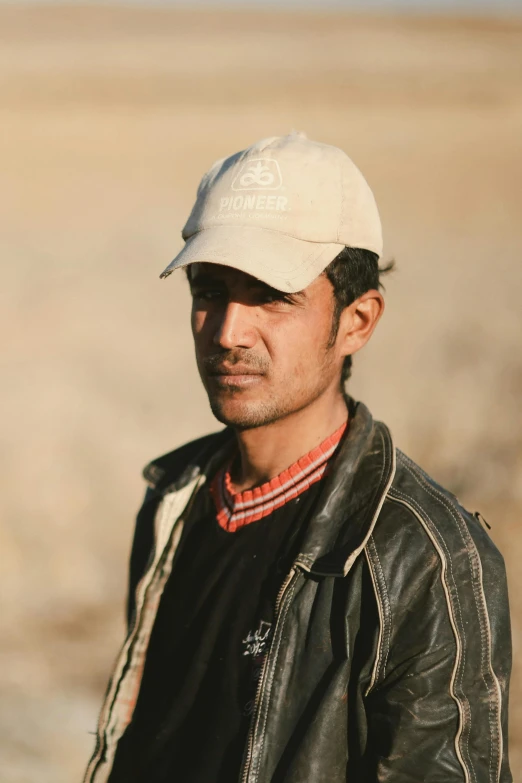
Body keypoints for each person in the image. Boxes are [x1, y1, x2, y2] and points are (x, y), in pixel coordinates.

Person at [84, 132, 512, 783]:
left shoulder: (424, 559)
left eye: (272, 296)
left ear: (358, 320)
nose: (228, 331)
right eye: (209, 289)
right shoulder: (174, 496)